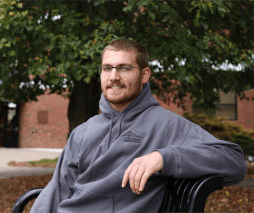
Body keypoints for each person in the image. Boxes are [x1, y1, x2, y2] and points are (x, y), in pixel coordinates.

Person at [30, 39, 247, 212]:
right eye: (107, 68)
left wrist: (163, 157)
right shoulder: (83, 132)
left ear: (144, 74)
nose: (113, 77)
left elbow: (234, 161)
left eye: (124, 68)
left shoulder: (167, 126)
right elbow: (57, 191)